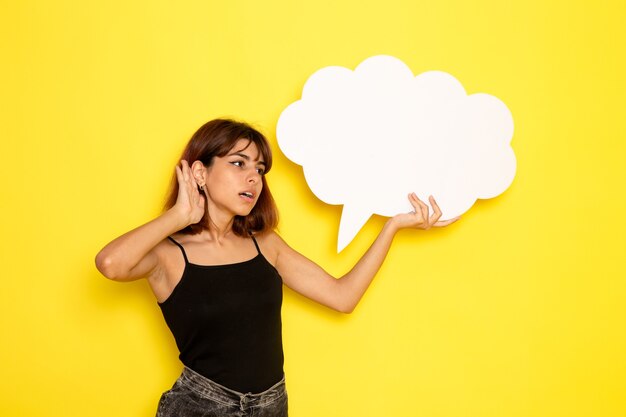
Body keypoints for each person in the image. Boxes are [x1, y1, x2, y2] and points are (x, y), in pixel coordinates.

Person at [95, 118, 459, 417]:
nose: (253, 178)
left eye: (259, 169)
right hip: (202, 407)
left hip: (272, 406)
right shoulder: (169, 255)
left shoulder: (264, 244)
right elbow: (110, 264)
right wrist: (179, 215)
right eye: (238, 164)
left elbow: (342, 296)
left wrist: (392, 226)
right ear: (199, 172)